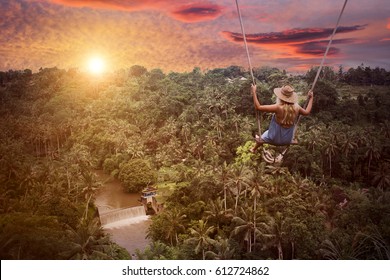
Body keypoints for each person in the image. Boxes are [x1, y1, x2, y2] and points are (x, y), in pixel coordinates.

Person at [250, 84, 313, 153]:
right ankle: (255, 146)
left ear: (280, 97)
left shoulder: (278, 107)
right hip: (287, 139)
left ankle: (253, 149)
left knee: (263, 136)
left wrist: (254, 92)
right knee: (264, 135)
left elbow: (258, 107)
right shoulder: (297, 108)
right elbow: (306, 112)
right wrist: (311, 98)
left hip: (273, 138)